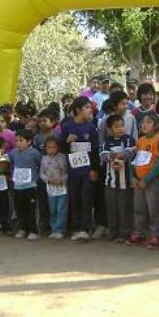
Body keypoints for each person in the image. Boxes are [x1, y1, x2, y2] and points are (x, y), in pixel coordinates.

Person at [60, 96, 100, 241]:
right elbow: (61, 148)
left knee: (86, 198)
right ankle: (76, 228)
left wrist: (94, 169)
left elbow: (95, 150)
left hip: (87, 169)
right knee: (75, 197)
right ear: (78, 109)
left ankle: (85, 227)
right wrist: (67, 142)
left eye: (91, 108)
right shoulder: (67, 126)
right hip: (73, 169)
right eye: (87, 107)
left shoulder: (91, 128)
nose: (90, 110)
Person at [128, 113, 159, 248]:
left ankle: (156, 234)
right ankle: (139, 231)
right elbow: (134, 160)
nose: (144, 125)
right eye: (143, 122)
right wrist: (132, 176)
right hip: (138, 180)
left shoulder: (158, 140)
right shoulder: (140, 140)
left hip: (152, 181)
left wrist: (148, 179)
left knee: (153, 207)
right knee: (139, 207)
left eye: (148, 122)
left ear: (156, 125)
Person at [101, 114, 136, 243]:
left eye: (122, 125)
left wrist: (122, 155)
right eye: (117, 126)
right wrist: (111, 156)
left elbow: (130, 151)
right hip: (110, 182)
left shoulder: (128, 139)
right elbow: (103, 155)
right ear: (110, 129)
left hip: (125, 182)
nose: (121, 129)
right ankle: (113, 231)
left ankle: (125, 232)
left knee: (124, 208)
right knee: (111, 208)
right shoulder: (107, 141)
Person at [10, 129, 43, 239]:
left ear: (29, 142)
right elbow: (12, 164)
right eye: (16, 140)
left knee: (31, 209)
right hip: (18, 186)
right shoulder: (13, 152)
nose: (18, 143)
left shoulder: (34, 153)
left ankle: (33, 230)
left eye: (21, 140)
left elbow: (41, 164)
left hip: (30, 186)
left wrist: (36, 177)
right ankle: (23, 228)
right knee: (19, 208)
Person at [40, 136, 68, 239]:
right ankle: (54, 228)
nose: (51, 149)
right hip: (51, 188)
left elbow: (67, 172)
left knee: (61, 208)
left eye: (54, 147)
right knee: (52, 209)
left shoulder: (63, 157)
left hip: (62, 187)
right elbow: (42, 173)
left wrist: (62, 180)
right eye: (49, 147)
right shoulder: (44, 159)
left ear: (58, 147)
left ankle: (61, 229)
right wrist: (48, 180)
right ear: (46, 148)